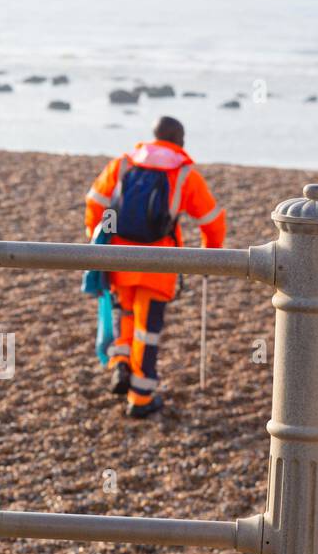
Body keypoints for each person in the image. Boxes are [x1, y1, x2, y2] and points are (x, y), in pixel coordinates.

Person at [83, 116, 226, 418]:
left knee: (126, 314)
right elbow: (212, 220)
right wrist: (210, 255)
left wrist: (96, 239)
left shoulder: (124, 163)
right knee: (147, 330)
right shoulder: (184, 174)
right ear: (180, 139)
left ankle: (121, 364)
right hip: (159, 262)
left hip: (119, 257)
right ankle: (141, 398)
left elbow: (95, 202)